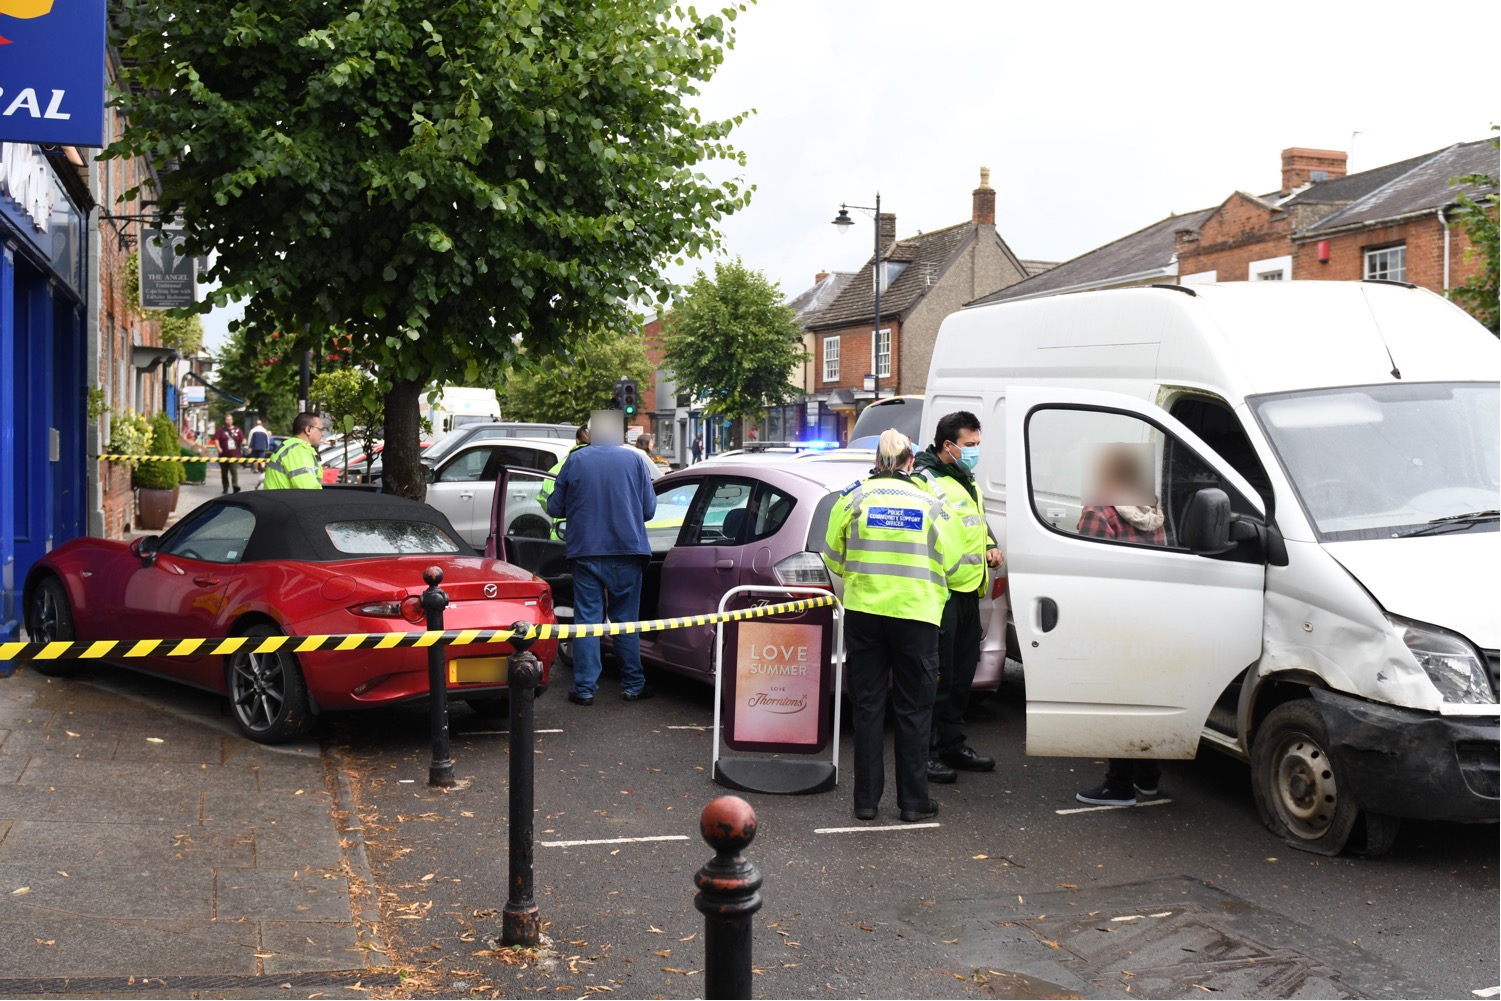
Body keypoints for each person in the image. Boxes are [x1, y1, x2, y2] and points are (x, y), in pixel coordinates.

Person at [823, 429, 957, 823]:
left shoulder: (854, 497)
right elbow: (953, 561)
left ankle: (865, 802)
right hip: (916, 616)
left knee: (867, 707)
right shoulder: (933, 503)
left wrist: (863, 575)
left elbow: (832, 556)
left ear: (877, 463)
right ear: (911, 463)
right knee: (914, 711)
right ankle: (914, 803)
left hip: (865, 613)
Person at [1074, 442, 1167, 807]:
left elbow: (1089, 572)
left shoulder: (1100, 512)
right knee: (1144, 701)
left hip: (1114, 621)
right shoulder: (1154, 510)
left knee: (1117, 704)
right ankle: (1148, 778)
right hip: (1151, 618)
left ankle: (1119, 786)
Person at [912, 411, 1002, 784]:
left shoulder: (965, 479)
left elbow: (975, 526)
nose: (975, 452)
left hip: (968, 592)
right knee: (938, 679)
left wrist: (991, 546)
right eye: (970, 446)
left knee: (962, 675)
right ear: (947, 445)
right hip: (941, 594)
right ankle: (927, 753)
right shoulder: (924, 480)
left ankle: (952, 743)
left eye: (978, 445)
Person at [545, 413, 657, 704]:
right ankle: (633, 684)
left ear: (592, 433)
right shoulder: (634, 460)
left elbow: (555, 507)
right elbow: (648, 511)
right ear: (619, 433)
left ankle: (584, 689)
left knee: (588, 622)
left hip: (586, 551)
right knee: (626, 622)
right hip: (628, 551)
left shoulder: (576, 460)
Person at [262, 413, 326, 490]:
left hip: (279, 499)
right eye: (320, 430)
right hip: (284, 500)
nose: (322, 434)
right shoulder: (298, 450)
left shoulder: (292, 446)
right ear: (308, 430)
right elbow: (308, 489)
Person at [214, 413, 246, 493]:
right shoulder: (220, 430)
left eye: (230, 420)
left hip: (235, 455)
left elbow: (243, 439)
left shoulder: (237, 430)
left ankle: (235, 486)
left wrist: (244, 442)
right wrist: (218, 448)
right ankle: (225, 487)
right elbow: (216, 440)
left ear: (232, 420)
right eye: (227, 420)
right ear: (225, 421)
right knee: (224, 472)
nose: (229, 421)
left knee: (233, 470)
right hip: (223, 455)